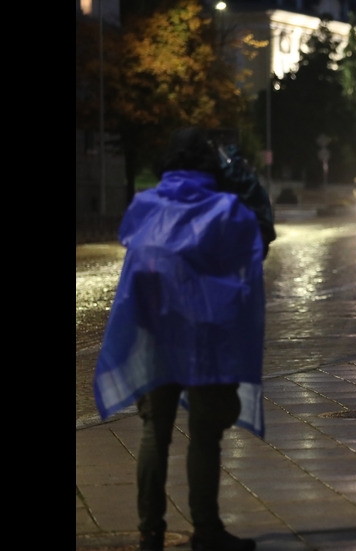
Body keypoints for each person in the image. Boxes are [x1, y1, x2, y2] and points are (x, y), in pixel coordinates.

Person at [93, 127, 271, 551]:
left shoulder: (145, 205)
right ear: (212, 170)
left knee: (155, 434)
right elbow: (258, 245)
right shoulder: (228, 209)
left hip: (154, 336)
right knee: (206, 436)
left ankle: (149, 530)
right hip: (208, 342)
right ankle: (207, 531)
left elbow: (132, 250)